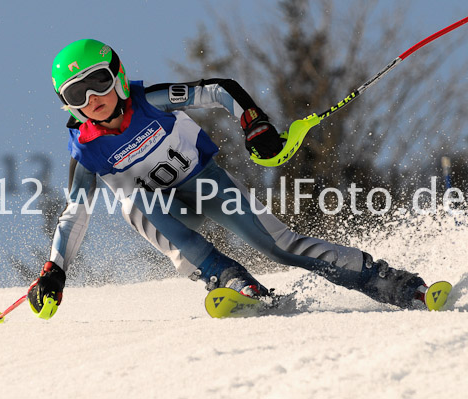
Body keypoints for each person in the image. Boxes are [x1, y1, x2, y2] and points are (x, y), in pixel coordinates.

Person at [27, 39, 428, 319]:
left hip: (206, 184)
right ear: (69, 106)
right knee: (131, 200)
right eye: (77, 94)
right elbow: (75, 211)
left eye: (97, 82)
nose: (92, 98)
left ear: (117, 76)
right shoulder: (86, 150)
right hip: (166, 213)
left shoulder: (150, 101)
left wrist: (254, 124)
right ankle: (231, 279)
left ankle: (389, 283)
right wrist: (55, 269)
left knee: (280, 246)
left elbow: (219, 90)